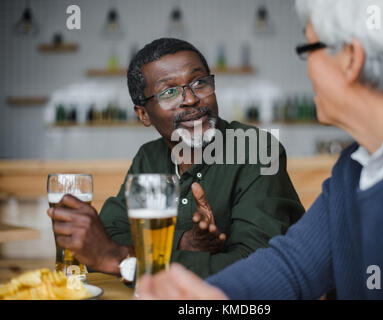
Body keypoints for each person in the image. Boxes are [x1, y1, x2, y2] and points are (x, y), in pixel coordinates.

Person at [134, 0, 383, 299]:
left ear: (351, 58)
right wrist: (205, 297)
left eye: (308, 48)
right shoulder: (354, 169)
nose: (307, 69)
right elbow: (293, 266)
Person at [47, 38, 304, 279]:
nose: (191, 99)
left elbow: (258, 267)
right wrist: (183, 242)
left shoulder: (257, 148)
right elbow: (109, 235)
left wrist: (122, 259)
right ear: (143, 114)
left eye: (199, 82)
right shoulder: (149, 157)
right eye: (169, 92)